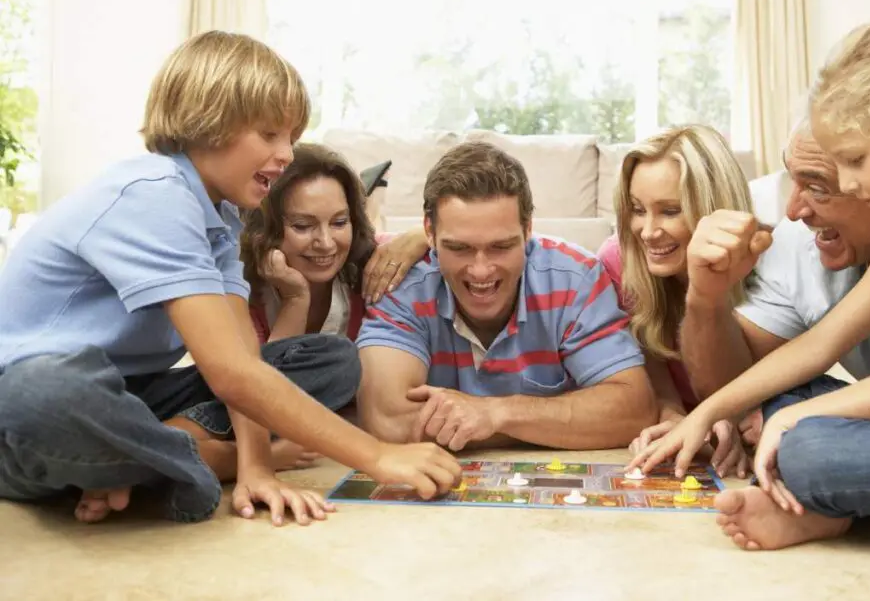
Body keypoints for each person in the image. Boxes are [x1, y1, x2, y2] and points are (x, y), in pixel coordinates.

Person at [0, 31, 460, 526]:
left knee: (330, 360)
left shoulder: (221, 219)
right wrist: (376, 456)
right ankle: (194, 460)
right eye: (269, 134)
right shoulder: (153, 193)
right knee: (47, 389)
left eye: (291, 137)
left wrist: (258, 468)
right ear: (208, 124)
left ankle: (133, 462)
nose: (286, 154)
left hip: (129, 398)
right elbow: (229, 374)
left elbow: (246, 359)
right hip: (26, 409)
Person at [630, 16, 870, 551]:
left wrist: (794, 419)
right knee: (777, 399)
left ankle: (830, 503)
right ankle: (829, 510)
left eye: (856, 161)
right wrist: (706, 413)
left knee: (812, 447)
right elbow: (821, 345)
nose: (851, 184)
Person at [356, 141, 658, 451]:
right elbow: (388, 421)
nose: (481, 271)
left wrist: (495, 413)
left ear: (528, 230)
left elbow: (634, 411)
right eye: (459, 248)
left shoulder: (575, 279)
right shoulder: (398, 281)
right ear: (429, 233)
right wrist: (553, 421)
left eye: (501, 247)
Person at [657, 121, 870, 450]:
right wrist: (705, 296)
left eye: (818, 188)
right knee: (778, 401)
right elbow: (808, 351)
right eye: (793, 180)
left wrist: (796, 415)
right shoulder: (801, 241)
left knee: (800, 440)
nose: (793, 211)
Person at [596, 125, 758, 476]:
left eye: (670, 211)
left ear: (713, 207)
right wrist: (671, 414)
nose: (649, 231)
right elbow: (645, 360)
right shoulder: (618, 260)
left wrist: (725, 416)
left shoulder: (769, 262)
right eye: (638, 209)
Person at [242, 143, 429, 347]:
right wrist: (295, 299)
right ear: (265, 229)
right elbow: (265, 377)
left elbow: (448, 238)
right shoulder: (239, 291)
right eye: (303, 226)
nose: (326, 243)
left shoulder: (373, 257)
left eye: (339, 223)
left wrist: (423, 235)